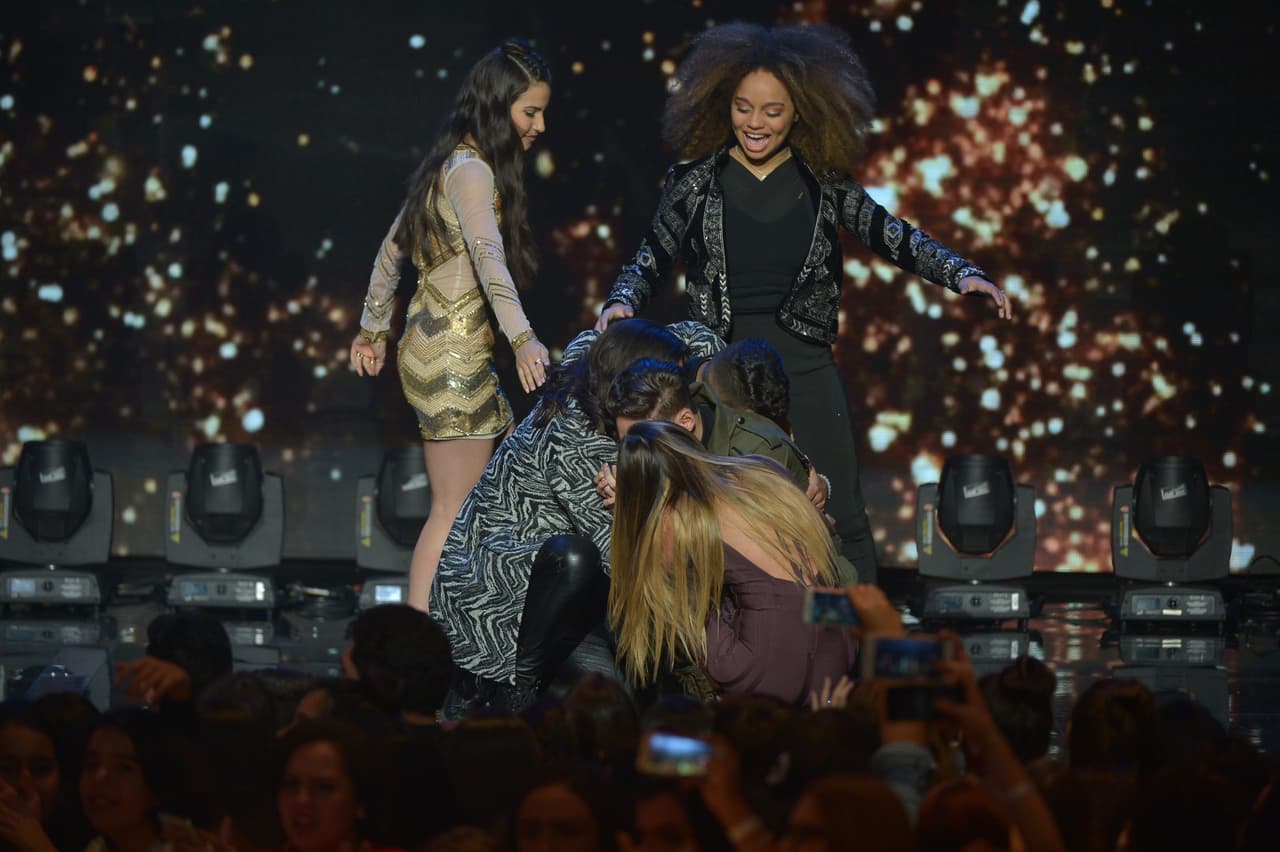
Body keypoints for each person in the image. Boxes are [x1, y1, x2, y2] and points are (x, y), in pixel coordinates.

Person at [596, 23, 1011, 585]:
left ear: (801, 110)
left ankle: (856, 641)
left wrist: (962, 274)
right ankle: (739, 643)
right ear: (724, 104)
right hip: (721, 373)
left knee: (841, 511)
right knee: (719, 511)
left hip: (807, 366)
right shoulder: (692, 183)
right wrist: (621, 301)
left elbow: (893, 236)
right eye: (744, 108)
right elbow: (651, 254)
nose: (755, 123)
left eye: (772, 110)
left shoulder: (824, 182)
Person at [350, 39, 553, 611]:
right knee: (451, 507)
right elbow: (490, 262)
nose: (538, 126)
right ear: (498, 107)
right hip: (454, 355)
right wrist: (523, 338)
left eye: (541, 112)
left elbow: (391, 253)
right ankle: (419, 639)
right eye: (529, 112)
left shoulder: (448, 167)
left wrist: (373, 329)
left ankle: (468, 619)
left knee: (490, 492)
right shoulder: (472, 173)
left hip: (432, 345)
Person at [429, 318, 722, 716]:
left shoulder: (601, 359)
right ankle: (505, 692)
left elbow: (695, 335)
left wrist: (701, 364)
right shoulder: (574, 440)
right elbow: (618, 559)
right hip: (506, 593)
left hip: (574, 591)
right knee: (625, 693)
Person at [608, 420, 855, 704]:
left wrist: (631, 513)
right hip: (839, 639)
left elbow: (655, 596)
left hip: (769, 664)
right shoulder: (761, 470)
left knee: (683, 598)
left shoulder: (677, 519)